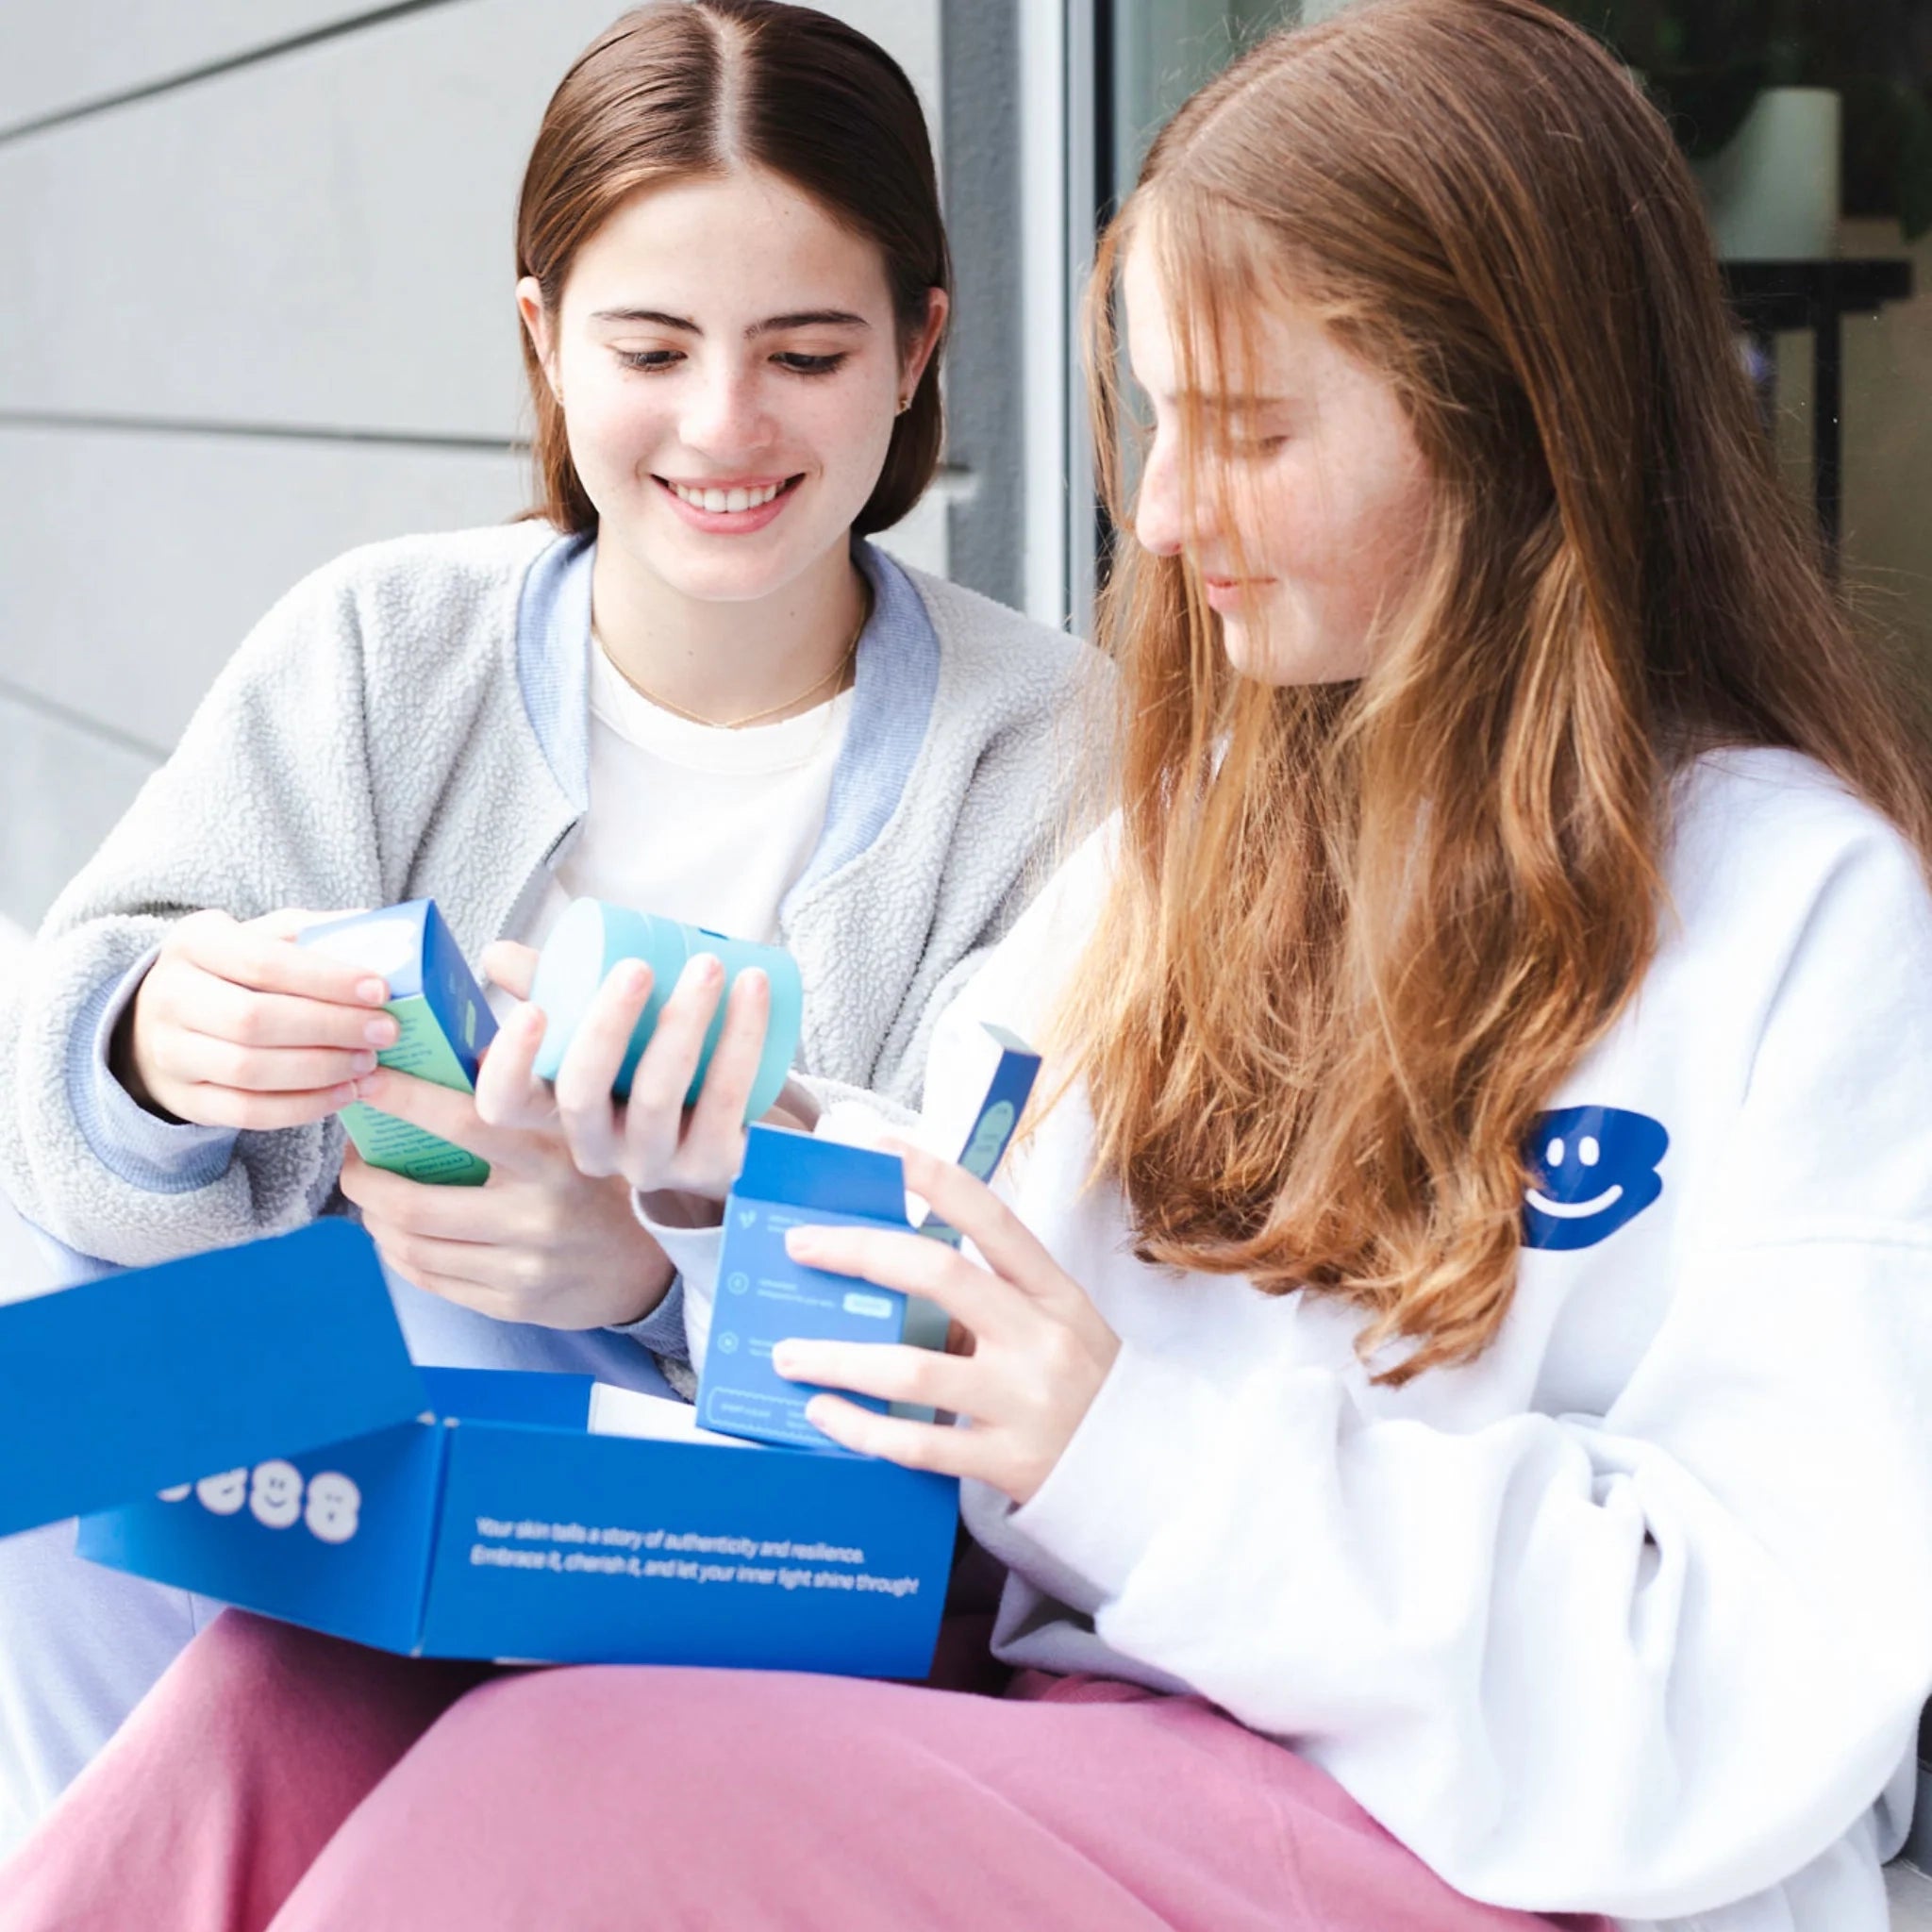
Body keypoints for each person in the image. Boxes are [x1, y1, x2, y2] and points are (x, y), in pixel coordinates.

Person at [9, 0, 1932, 1926]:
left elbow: (1754, 1665)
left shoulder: (1789, 918)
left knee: (568, 1771)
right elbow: (961, 1289)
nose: (1163, 516)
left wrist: (1118, 1444)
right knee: (291, 1695)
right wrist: (715, 1189)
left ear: (1522, 425)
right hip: (1064, 1700)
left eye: (1250, 433)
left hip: (1438, 1817)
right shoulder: (1186, 850)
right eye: (1157, 419)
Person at [0, 0, 1091, 1845]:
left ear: (919, 348)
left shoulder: (1059, 760)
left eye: (805, 352)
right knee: (62, 1352)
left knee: (433, 1334)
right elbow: (78, 1066)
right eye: (649, 347)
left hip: (756, 1541)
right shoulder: (379, 644)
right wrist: (150, 1046)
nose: (722, 427)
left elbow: (1025, 1294)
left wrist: (653, 1274)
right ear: (543, 342)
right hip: (336, 1451)